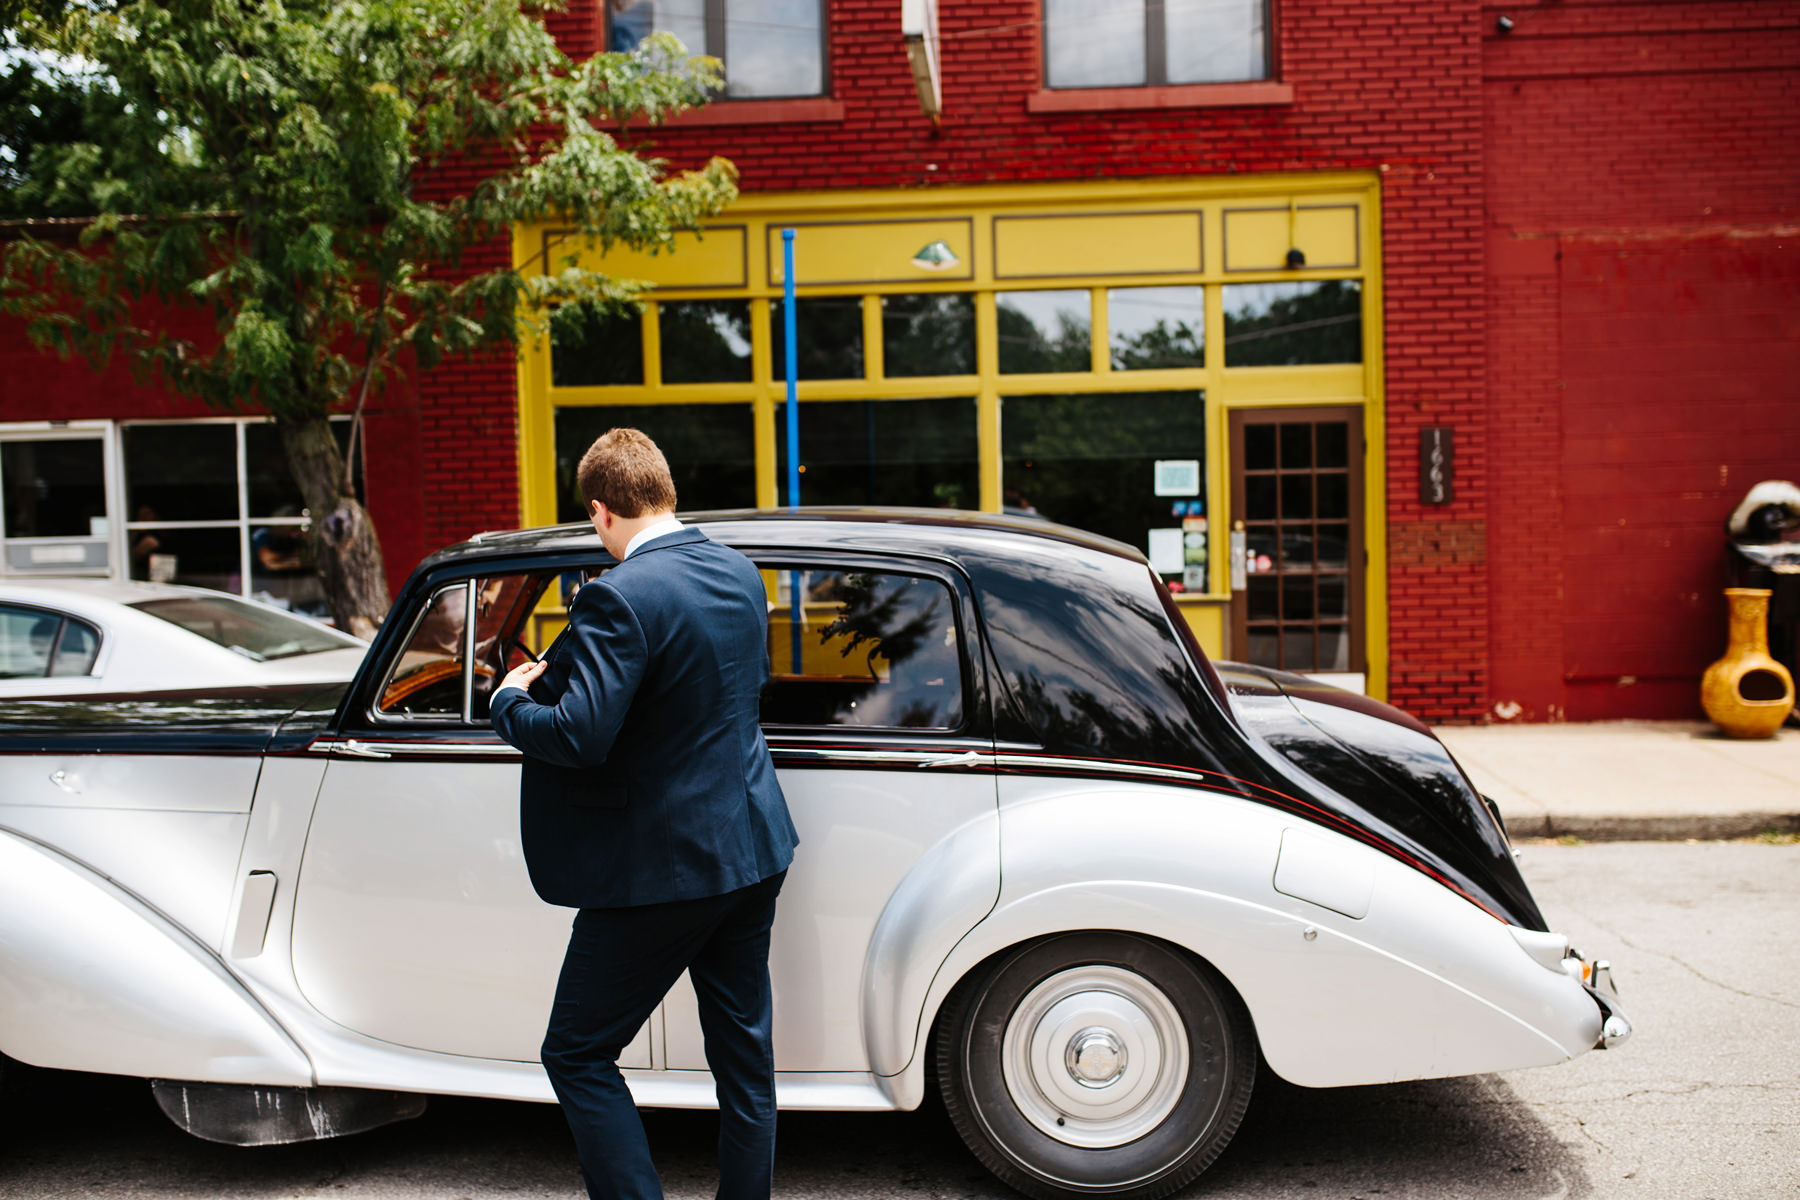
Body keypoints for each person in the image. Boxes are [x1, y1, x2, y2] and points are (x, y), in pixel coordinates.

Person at [490, 427, 799, 1200]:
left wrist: (508, 701)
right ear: (663, 490)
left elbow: (577, 735)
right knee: (743, 1058)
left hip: (663, 866)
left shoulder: (617, 595)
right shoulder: (738, 572)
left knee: (578, 1053)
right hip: (753, 846)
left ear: (600, 511)